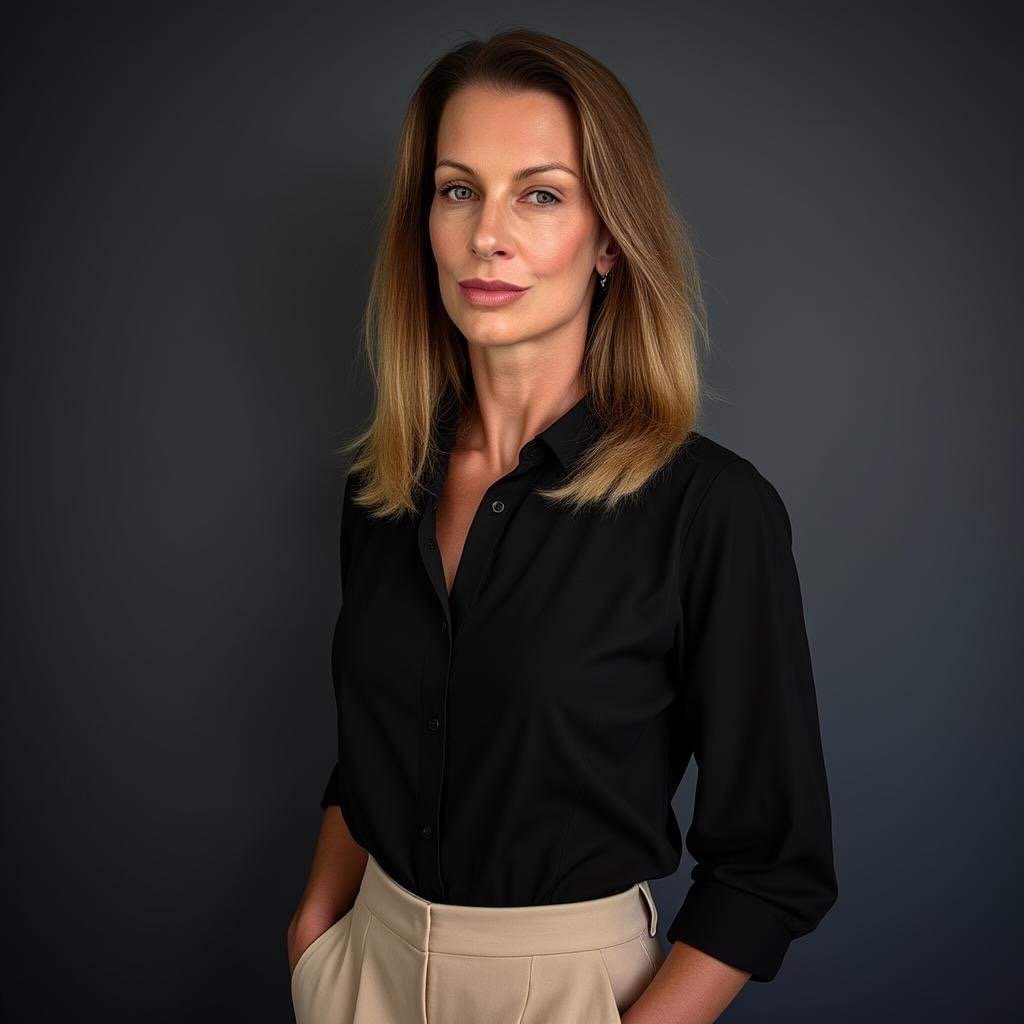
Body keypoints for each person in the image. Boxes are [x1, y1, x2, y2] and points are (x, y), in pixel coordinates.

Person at [286, 28, 837, 1024]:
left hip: (568, 994)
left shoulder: (709, 510)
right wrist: (316, 931)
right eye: (457, 189)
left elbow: (770, 865)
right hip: (361, 970)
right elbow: (371, 748)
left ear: (611, 239)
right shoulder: (383, 490)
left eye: (539, 193)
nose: (485, 234)